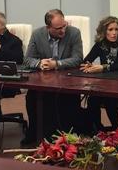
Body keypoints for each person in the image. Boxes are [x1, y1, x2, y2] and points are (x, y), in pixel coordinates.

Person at [21, 9, 83, 144]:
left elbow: (78, 59)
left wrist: (57, 64)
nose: (63, 31)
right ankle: (36, 133)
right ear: (48, 27)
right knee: (32, 97)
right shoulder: (38, 34)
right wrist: (39, 63)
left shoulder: (74, 33)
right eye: (58, 28)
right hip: (44, 80)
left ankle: (68, 137)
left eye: (64, 26)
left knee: (67, 100)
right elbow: (27, 59)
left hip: (67, 79)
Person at [81, 16, 118, 132]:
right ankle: (98, 129)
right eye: (110, 30)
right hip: (106, 83)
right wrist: (89, 65)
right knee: (92, 100)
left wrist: (103, 67)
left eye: (116, 29)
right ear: (104, 31)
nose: (114, 33)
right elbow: (86, 60)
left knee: (110, 100)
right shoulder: (100, 44)